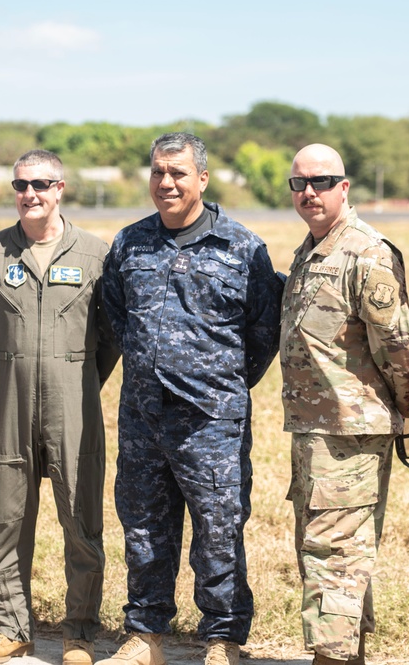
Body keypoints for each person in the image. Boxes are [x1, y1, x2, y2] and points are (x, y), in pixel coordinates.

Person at [98, 133, 282, 665]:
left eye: (178, 173)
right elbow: (117, 317)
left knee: (218, 529)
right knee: (144, 528)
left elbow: (262, 333)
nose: (166, 182)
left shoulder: (242, 248)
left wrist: (217, 383)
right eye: (158, 172)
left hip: (211, 421)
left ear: (202, 178)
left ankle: (222, 638)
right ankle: (145, 634)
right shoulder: (130, 244)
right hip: (142, 417)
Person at [0, 150, 120, 665]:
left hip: (74, 404)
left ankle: (79, 631)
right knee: (9, 517)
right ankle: (12, 626)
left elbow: (110, 339)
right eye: (21, 184)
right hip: (9, 400)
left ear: (61, 188)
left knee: (80, 518)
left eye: (41, 184)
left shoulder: (97, 255)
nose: (30, 193)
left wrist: (77, 380)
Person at [279, 144, 409, 665]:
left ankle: (331, 658)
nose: (309, 192)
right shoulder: (313, 249)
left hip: (350, 434)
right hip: (318, 431)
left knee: (333, 554)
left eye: (321, 181)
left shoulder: (367, 253)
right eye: (299, 184)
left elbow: (399, 346)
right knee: (325, 551)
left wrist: (405, 408)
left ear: (345, 186)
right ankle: (346, 655)